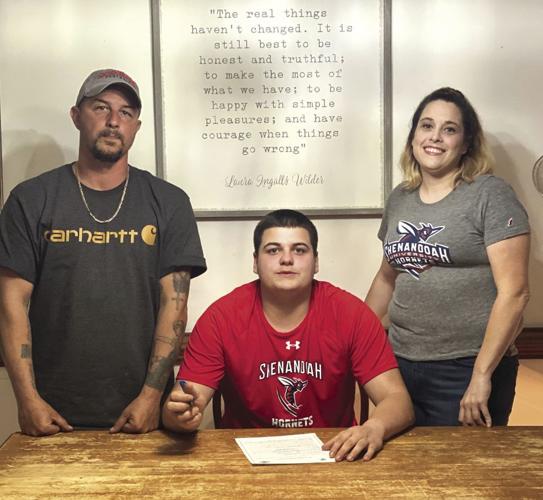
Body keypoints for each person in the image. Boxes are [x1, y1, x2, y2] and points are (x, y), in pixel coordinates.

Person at [0, 69, 206, 436]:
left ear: (136, 127)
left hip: (143, 418)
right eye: (101, 108)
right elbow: (10, 305)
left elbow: (174, 306)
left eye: (126, 113)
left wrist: (150, 397)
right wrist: (27, 400)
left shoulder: (170, 202)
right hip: (52, 416)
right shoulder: (30, 200)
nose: (114, 121)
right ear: (77, 116)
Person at [163, 209, 414, 462]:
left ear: (315, 262)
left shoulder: (352, 314)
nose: (286, 259)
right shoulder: (221, 318)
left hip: (334, 455)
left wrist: (374, 427)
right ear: (255, 262)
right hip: (243, 459)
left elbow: (398, 400)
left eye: (299, 250)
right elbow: (182, 405)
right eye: (273, 250)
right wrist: (180, 415)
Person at [365, 87, 530, 427]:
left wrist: (481, 375)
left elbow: (514, 293)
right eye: (426, 126)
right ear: (413, 137)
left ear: (466, 142)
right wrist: (360, 342)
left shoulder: (490, 195)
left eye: (449, 129)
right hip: (399, 363)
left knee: (463, 474)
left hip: (466, 367)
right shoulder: (400, 198)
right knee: (403, 471)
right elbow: (386, 277)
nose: (435, 137)